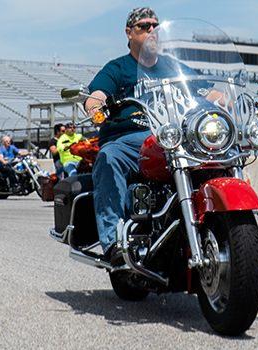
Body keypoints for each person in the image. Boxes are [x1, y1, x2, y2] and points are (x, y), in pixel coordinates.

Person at [84, 7, 224, 262]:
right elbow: (98, 93)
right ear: (129, 32)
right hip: (130, 139)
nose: (151, 31)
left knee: (220, 154)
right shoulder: (118, 68)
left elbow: (205, 91)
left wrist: (227, 102)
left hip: (173, 137)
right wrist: (95, 106)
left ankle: (224, 225)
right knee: (109, 157)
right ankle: (113, 242)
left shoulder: (173, 66)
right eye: (144, 26)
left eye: (155, 27)